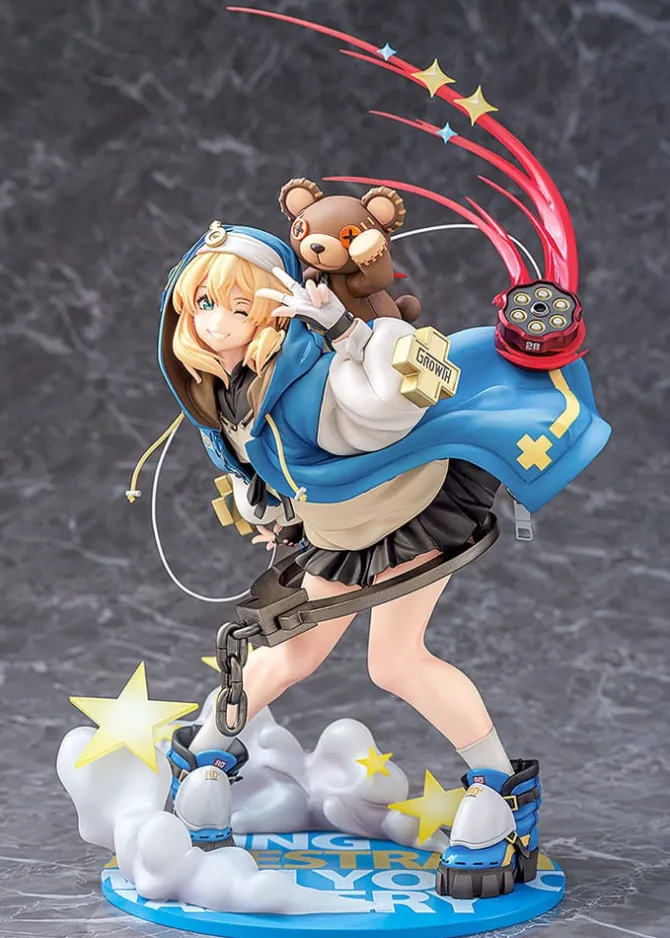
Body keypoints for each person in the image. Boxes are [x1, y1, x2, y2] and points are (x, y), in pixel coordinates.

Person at [153, 219, 609, 898]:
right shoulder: (231, 391)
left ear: (275, 309)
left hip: (406, 515)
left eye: (240, 307)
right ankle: (203, 762)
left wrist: (348, 333)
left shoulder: (308, 380)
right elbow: (279, 469)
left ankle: (500, 792)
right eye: (204, 304)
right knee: (288, 655)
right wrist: (276, 513)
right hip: (339, 530)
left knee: (395, 662)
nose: (217, 322)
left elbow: (393, 405)